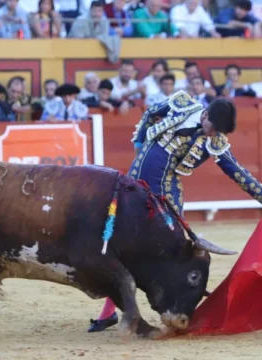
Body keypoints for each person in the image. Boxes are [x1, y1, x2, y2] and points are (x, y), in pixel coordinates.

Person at [88, 89, 262, 332]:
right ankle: (110, 313)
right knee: (119, 245)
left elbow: (237, 172)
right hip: (134, 182)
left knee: (161, 252)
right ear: (205, 114)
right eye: (211, 127)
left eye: (217, 132)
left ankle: (179, 305)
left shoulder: (215, 142)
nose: (211, 134)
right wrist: (139, 140)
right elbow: (150, 112)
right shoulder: (182, 104)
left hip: (164, 195)